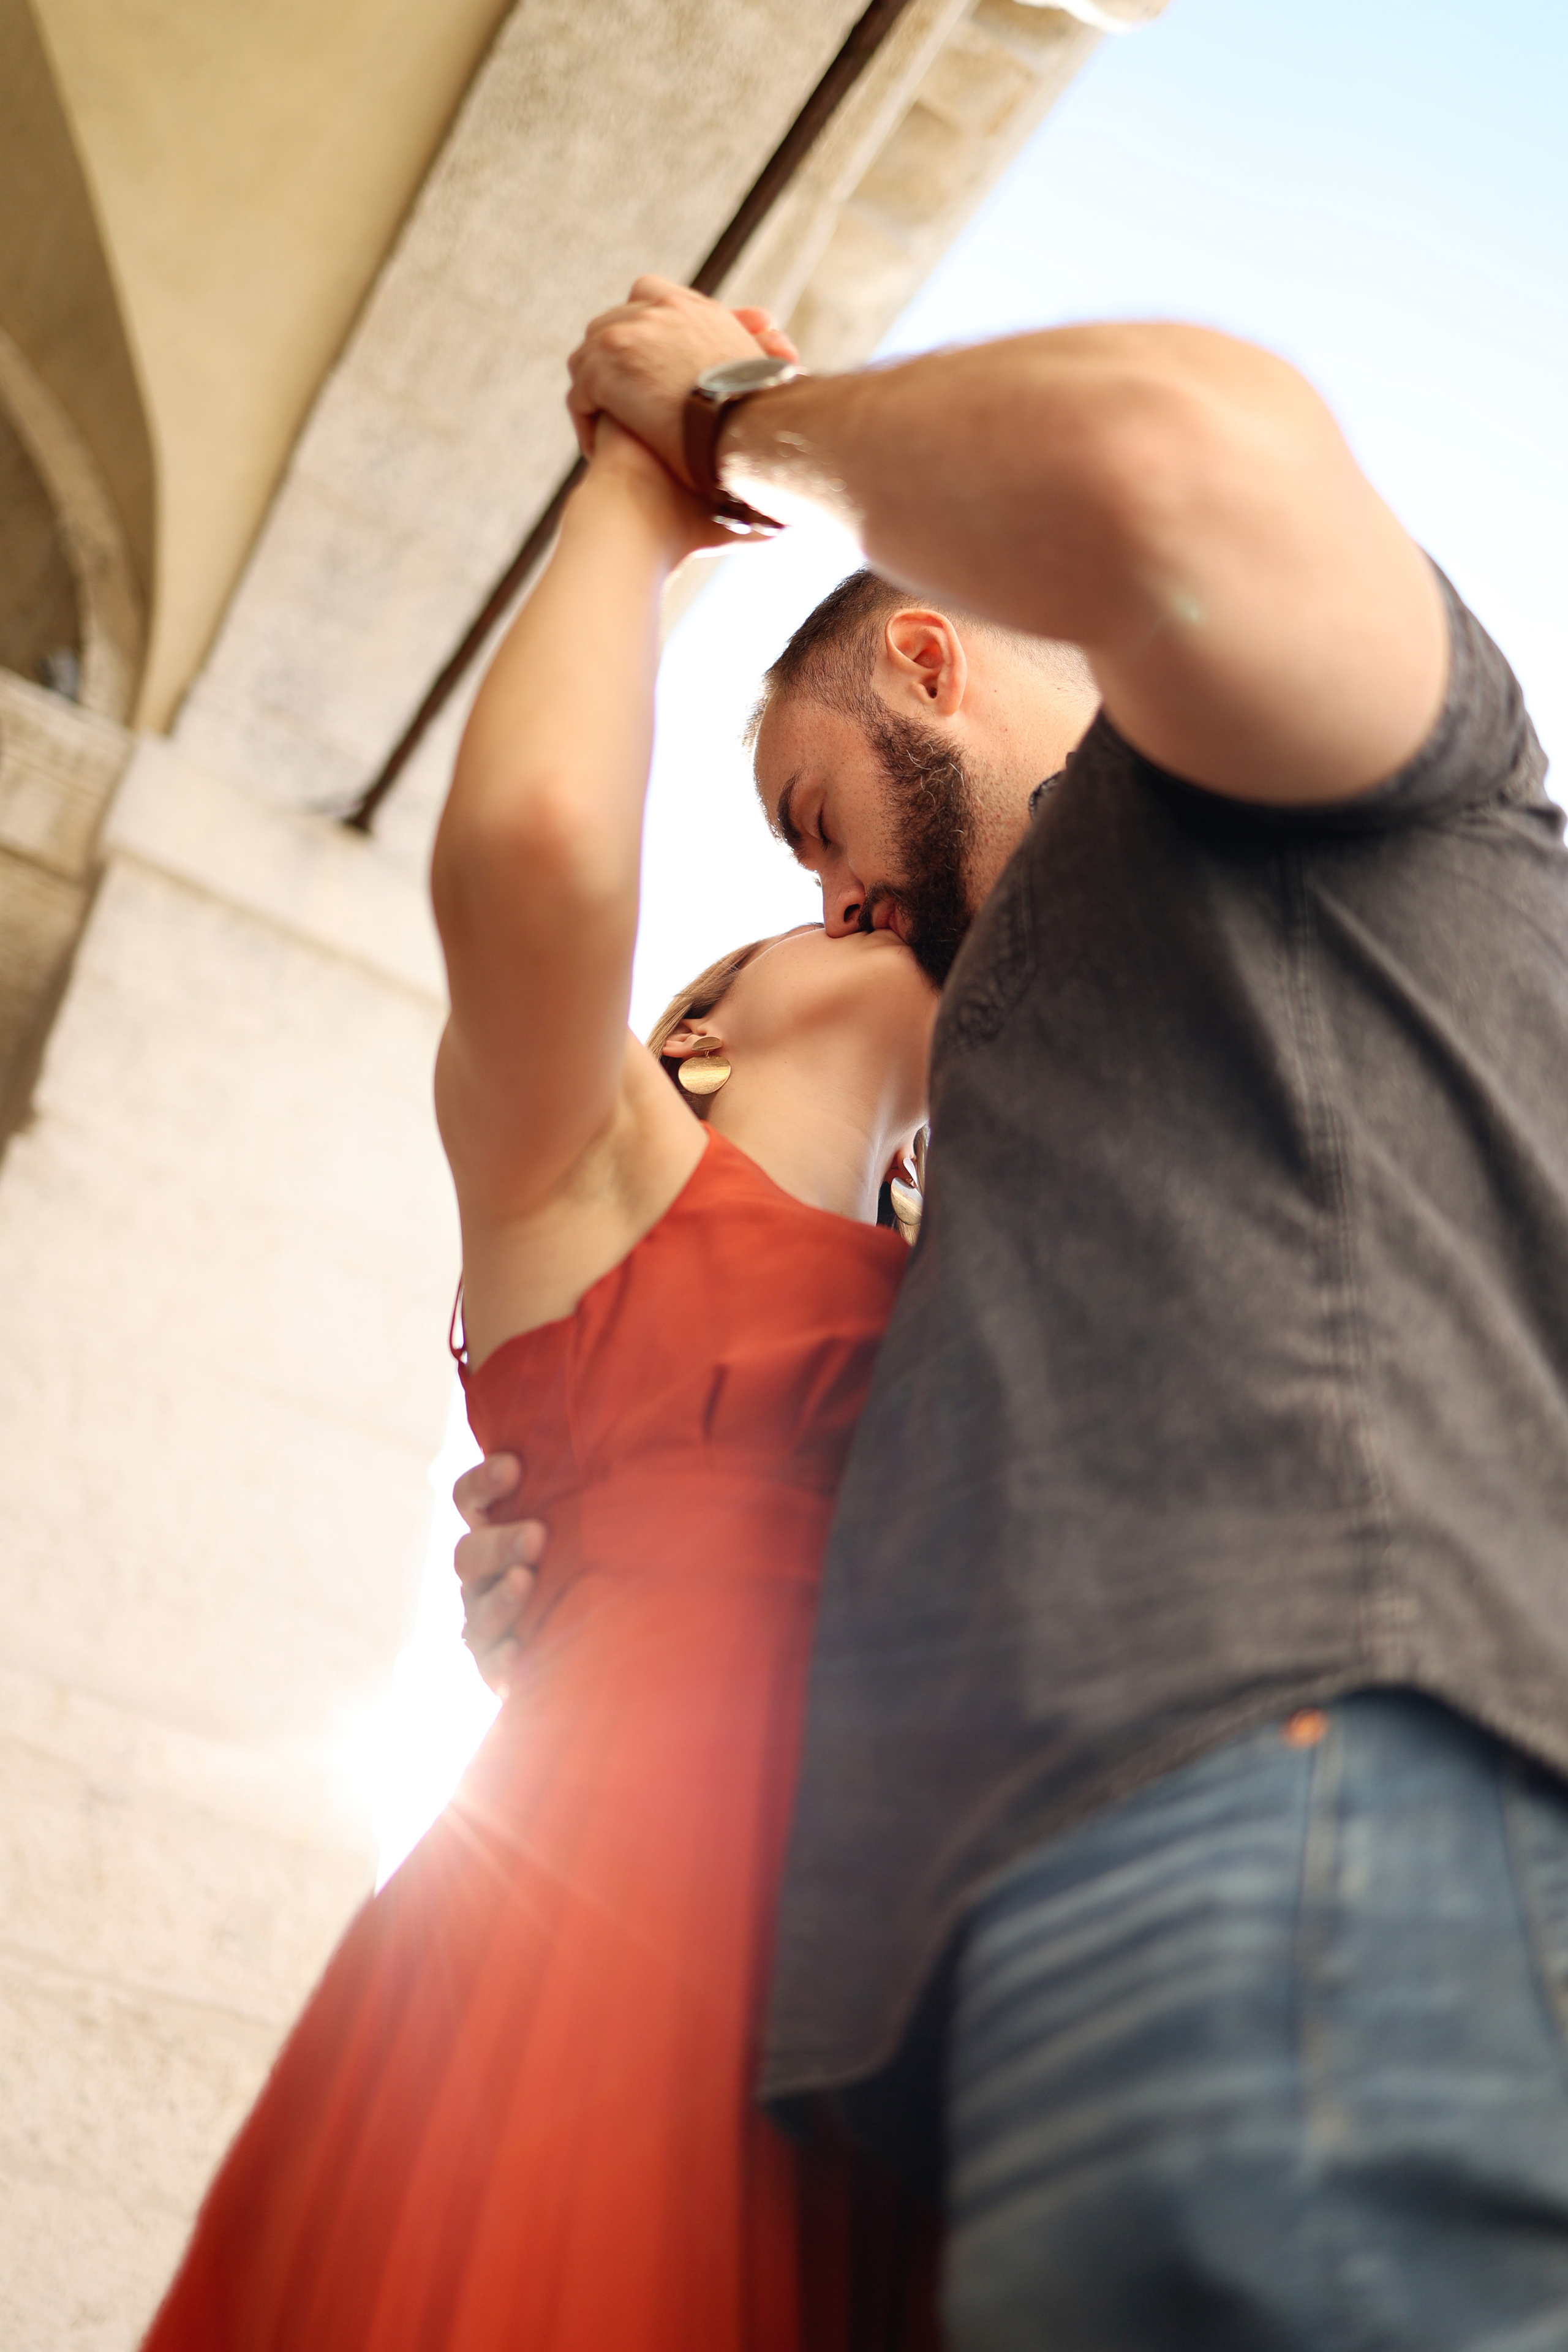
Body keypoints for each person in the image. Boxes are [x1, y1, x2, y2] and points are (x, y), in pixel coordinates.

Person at [458, 277, 1568, 2348]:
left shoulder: (1236, 779)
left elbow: (1165, 454)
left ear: (931, 658)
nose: (831, 906)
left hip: (1292, 1825)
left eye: (819, 823)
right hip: (1029, 1996)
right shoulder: (1024, 1139)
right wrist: (621, 1571)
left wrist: (726, 421)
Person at [138, 389, 946, 2350]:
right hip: (599, 1951)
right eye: (795, 880)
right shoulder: (589, 1176)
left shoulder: (971, 1289)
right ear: (696, 1034)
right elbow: (530, 844)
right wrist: (636, 490)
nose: (842, 901)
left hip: (891, 2047)